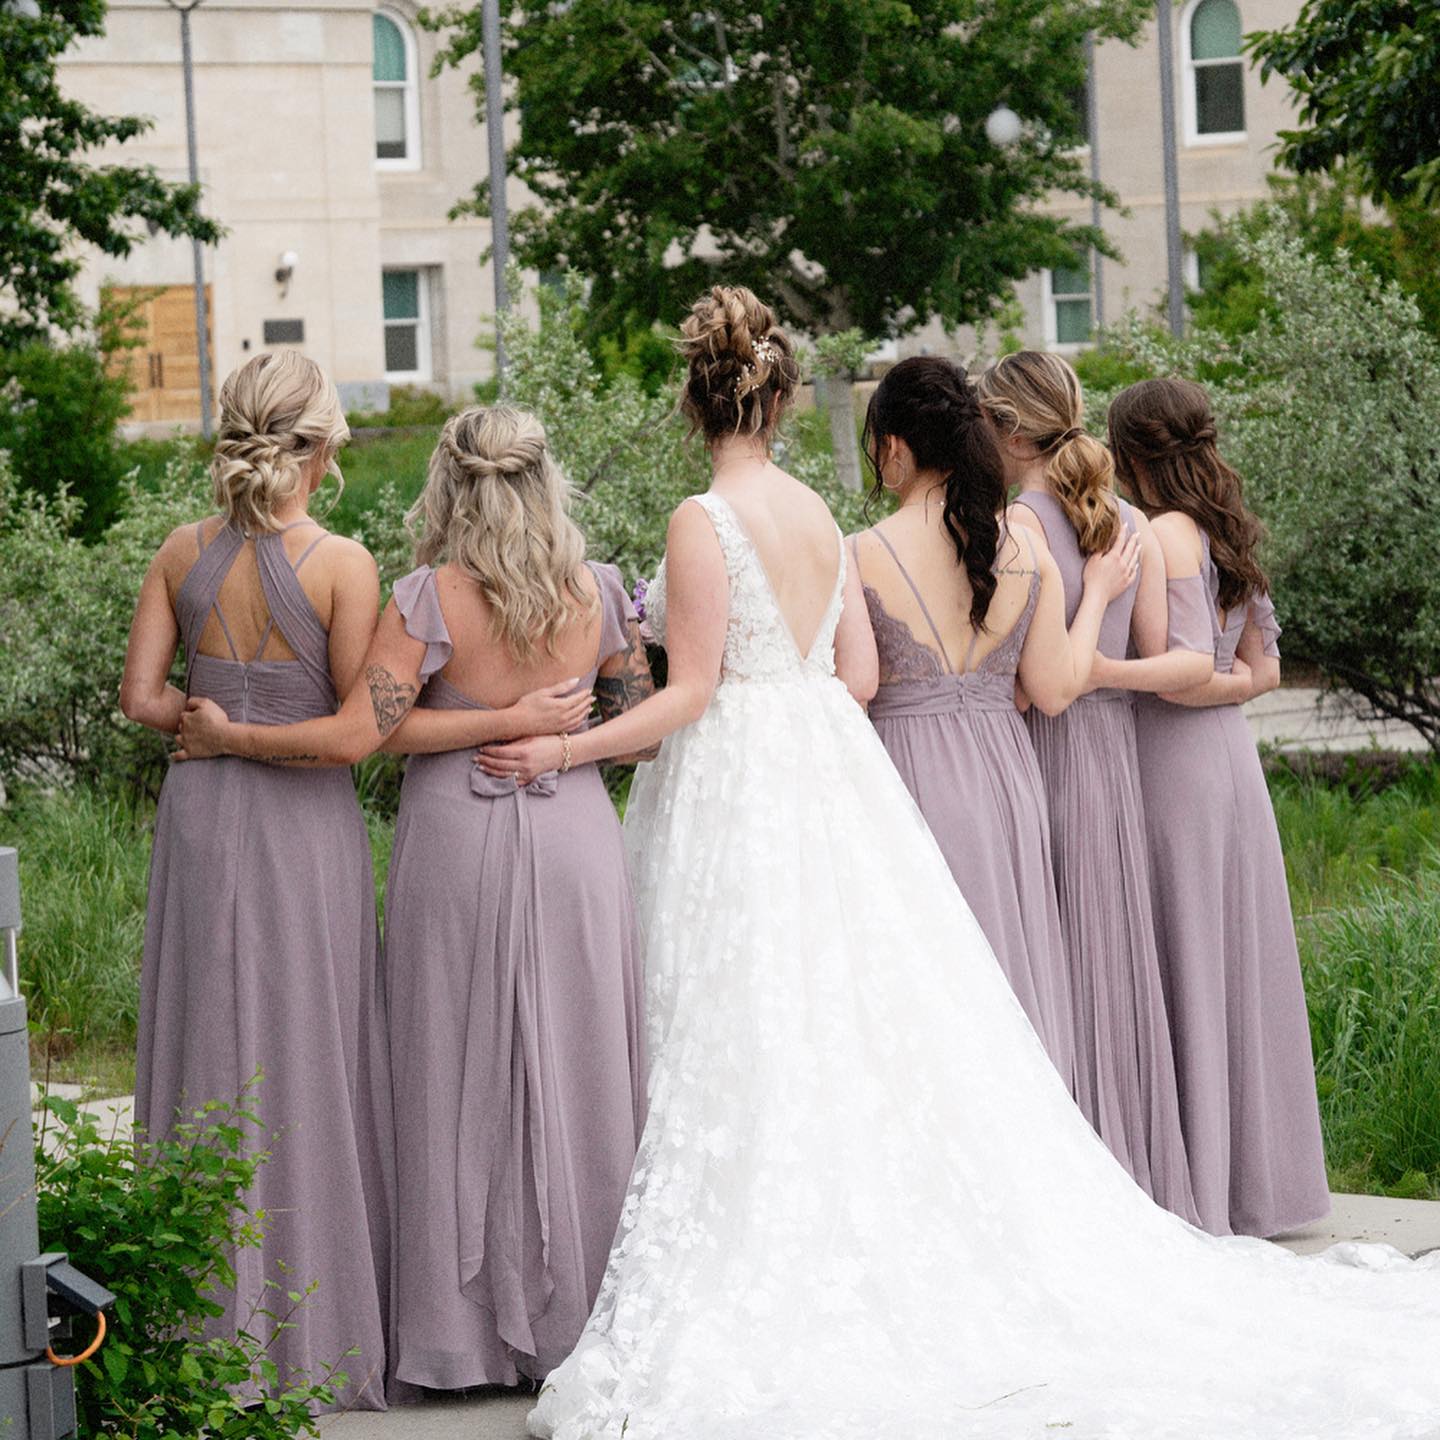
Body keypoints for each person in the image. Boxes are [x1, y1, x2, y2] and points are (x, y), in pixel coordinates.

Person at [476, 286, 1440, 1440]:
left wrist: (568, 745)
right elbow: (859, 683)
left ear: (694, 403)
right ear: (783, 398)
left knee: (742, 1015)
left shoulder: (705, 517)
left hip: (740, 775)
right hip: (825, 768)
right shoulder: (824, 524)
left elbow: (690, 693)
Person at [177, 404, 651, 1393]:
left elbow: (375, 729)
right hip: (574, 836)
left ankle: (460, 1342)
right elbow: (642, 731)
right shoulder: (601, 593)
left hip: (459, 843)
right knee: (583, 1064)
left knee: (448, 1068)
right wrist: (546, 732)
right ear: (544, 479)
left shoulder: (428, 598)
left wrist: (489, 721)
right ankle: (585, 1324)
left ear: (449, 483)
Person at [120, 350, 393, 1409]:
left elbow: (144, 698)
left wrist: (213, 732)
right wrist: (249, 738)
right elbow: (350, 737)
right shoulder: (343, 562)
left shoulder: (180, 551)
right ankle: (306, 1333)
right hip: (299, 824)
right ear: (318, 444)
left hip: (200, 816)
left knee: (206, 1038)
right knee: (305, 1048)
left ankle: (190, 1321)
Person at [851, 355, 1138, 1087]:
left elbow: (850, 684)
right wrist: (1098, 595)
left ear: (894, 446)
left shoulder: (859, 552)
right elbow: (1054, 687)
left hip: (907, 781)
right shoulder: (1023, 546)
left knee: (927, 989)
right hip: (1009, 781)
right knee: (1012, 979)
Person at [975, 350, 1207, 1221]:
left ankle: (1081, 1193)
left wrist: (1078, 652)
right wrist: (1105, 637)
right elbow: (1167, 658)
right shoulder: (1129, 520)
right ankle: (1140, 1174)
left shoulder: (1016, 529)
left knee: (1060, 967)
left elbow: (1037, 684)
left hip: (1050, 753)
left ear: (1007, 430)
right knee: (1112, 955)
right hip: (1113, 757)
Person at [1101, 376, 1330, 1238]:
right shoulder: (1227, 525)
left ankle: (1204, 1183)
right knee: (1236, 953)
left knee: (1188, 948)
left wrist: (1108, 676)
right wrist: (1220, 682)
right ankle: (1260, 1184)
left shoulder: (1159, 533)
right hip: (1233, 762)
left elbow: (1186, 668)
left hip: (1173, 758)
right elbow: (1260, 674)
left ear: (1129, 454)